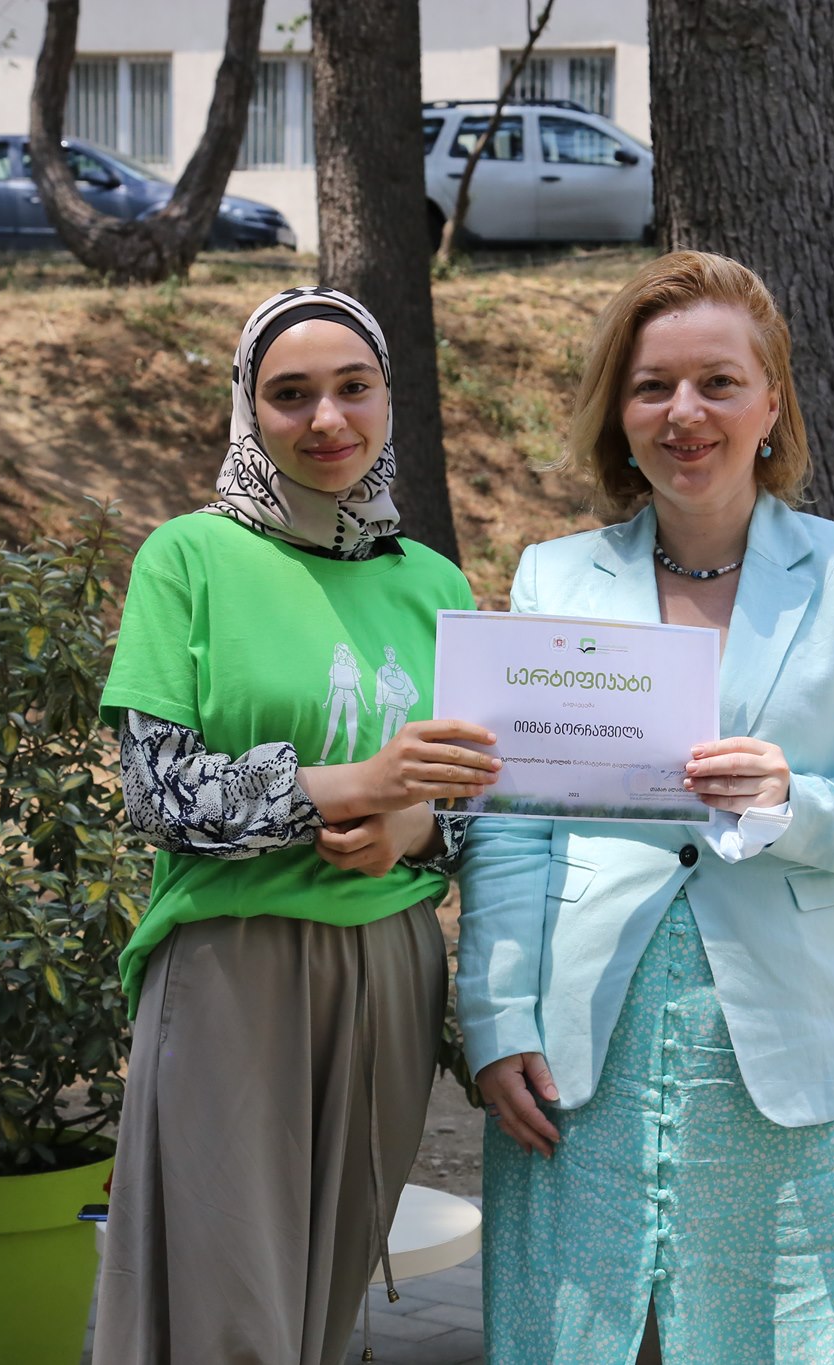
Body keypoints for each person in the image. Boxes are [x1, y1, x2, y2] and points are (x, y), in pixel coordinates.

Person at [455, 252, 834, 1364]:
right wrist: (496, 1022)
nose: (684, 412)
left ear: (770, 404)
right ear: (620, 414)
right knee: (573, 1337)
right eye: (653, 386)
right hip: (586, 1047)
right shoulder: (551, 578)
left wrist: (794, 801)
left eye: (718, 382)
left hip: (794, 1044)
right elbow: (511, 825)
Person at [94, 286, 502, 1365]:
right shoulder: (187, 558)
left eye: (353, 387)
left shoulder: (434, 581)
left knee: (323, 1301)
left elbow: (476, 801)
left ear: (387, 397)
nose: (327, 419)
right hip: (237, 965)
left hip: (393, 969)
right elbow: (158, 793)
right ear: (248, 407)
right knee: (229, 1311)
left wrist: (411, 829)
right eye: (290, 394)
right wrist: (353, 784)